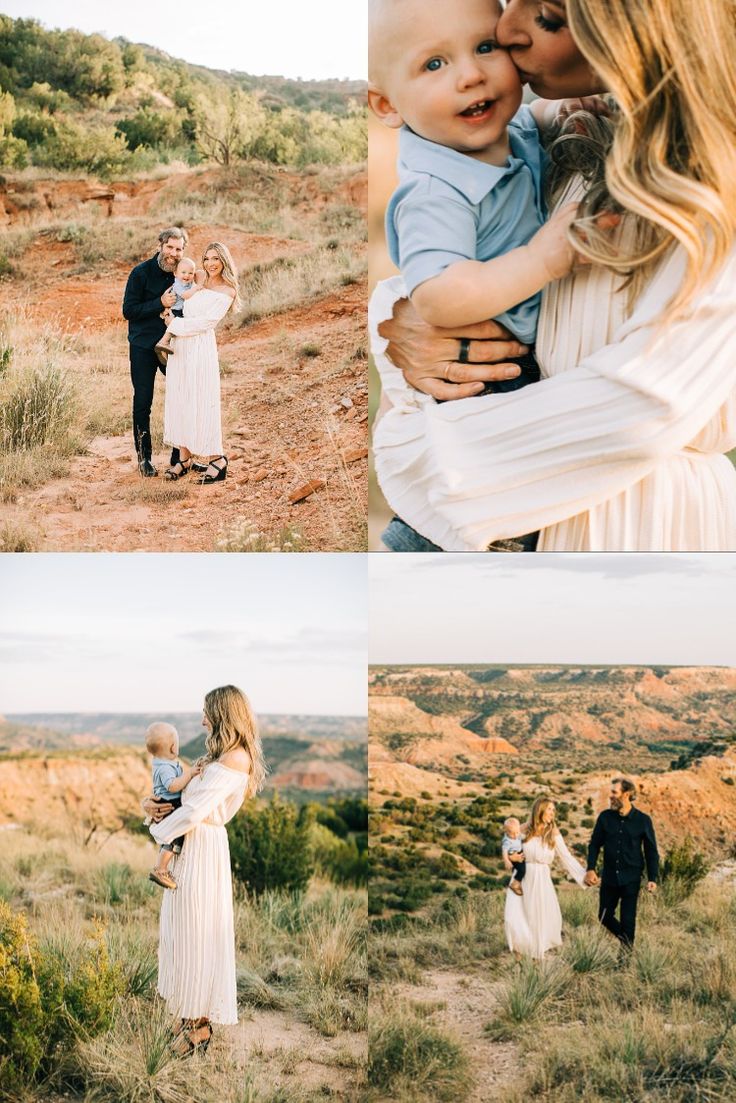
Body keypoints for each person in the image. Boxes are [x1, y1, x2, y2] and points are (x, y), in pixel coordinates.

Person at [370, 0, 736, 552]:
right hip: (507, 491)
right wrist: (403, 318)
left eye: (547, 18)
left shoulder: (714, 181)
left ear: (634, 28)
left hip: (633, 524)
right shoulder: (550, 127)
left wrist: (421, 453)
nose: (507, 29)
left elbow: (643, 406)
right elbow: (438, 263)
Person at [145, 685, 266, 1057]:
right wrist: (148, 804)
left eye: (206, 712)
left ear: (223, 715)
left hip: (202, 846)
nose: (201, 720)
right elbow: (180, 800)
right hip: (191, 842)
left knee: (197, 932)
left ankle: (198, 1028)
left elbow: (195, 812)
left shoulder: (235, 761)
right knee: (183, 931)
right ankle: (188, 1017)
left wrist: (155, 830)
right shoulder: (222, 756)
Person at [161, 242, 241, 485]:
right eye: (207, 258)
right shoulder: (199, 276)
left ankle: (217, 459)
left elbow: (205, 323)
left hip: (200, 347)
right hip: (181, 348)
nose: (210, 263)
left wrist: (172, 324)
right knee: (180, 398)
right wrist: (165, 303)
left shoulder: (228, 291)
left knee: (203, 400)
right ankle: (184, 458)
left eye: (216, 258)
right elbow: (177, 281)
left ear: (224, 261)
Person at [122, 227, 187, 477]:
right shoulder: (140, 273)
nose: (173, 253)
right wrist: (159, 303)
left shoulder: (183, 276)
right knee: (143, 401)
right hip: (142, 346)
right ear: (160, 245)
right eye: (170, 247)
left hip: (173, 347)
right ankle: (144, 458)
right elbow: (129, 311)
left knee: (180, 398)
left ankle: (178, 456)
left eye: (178, 249)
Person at [504, 796, 587, 959]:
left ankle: (536, 958)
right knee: (514, 918)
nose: (553, 813)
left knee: (537, 919)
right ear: (540, 809)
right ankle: (519, 957)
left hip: (541, 879)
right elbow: (508, 848)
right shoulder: (522, 830)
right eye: (550, 809)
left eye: (554, 810)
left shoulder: (553, 833)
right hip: (520, 879)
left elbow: (566, 857)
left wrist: (584, 877)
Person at [585, 777, 659, 950]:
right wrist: (591, 868)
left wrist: (652, 877)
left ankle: (625, 958)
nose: (610, 796)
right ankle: (627, 942)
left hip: (631, 878)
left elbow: (651, 851)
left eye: (614, 793)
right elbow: (594, 844)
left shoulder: (643, 820)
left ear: (626, 794)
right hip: (609, 877)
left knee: (628, 920)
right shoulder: (605, 817)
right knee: (604, 916)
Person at [144, 721, 200, 891]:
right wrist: (189, 773)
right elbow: (173, 786)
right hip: (169, 804)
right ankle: (160, 869)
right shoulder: (164, 768)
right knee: (173, 836)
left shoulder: (160, 762)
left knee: (173, 837)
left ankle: (163, 867)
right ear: (173, 748)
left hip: (168, 802)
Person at [155, 257, 203, 365]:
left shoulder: (188, 283)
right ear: (175, 273)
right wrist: (196, 288)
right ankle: (163, 342)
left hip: (180, 310)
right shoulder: (177, 285)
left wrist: (196, 278)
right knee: (174, 327)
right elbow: (185, 295)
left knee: (178, 333)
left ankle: (165, 349)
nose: (187, 275)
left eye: (190, 273)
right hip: (176, 311)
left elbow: (200, 273)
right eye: (183, 272)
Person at [501, 815, 526, 896]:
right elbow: (504, 852)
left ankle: (519, 882)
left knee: (523, 869)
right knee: (522, 870)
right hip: (513, 855)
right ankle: (515, 884)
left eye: (517, 832)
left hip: (519, 852)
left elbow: (523, 837)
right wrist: (507, 860)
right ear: (506, 832)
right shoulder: (507, 841)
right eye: (512, 834)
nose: (515, 836)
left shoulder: (517, 835)